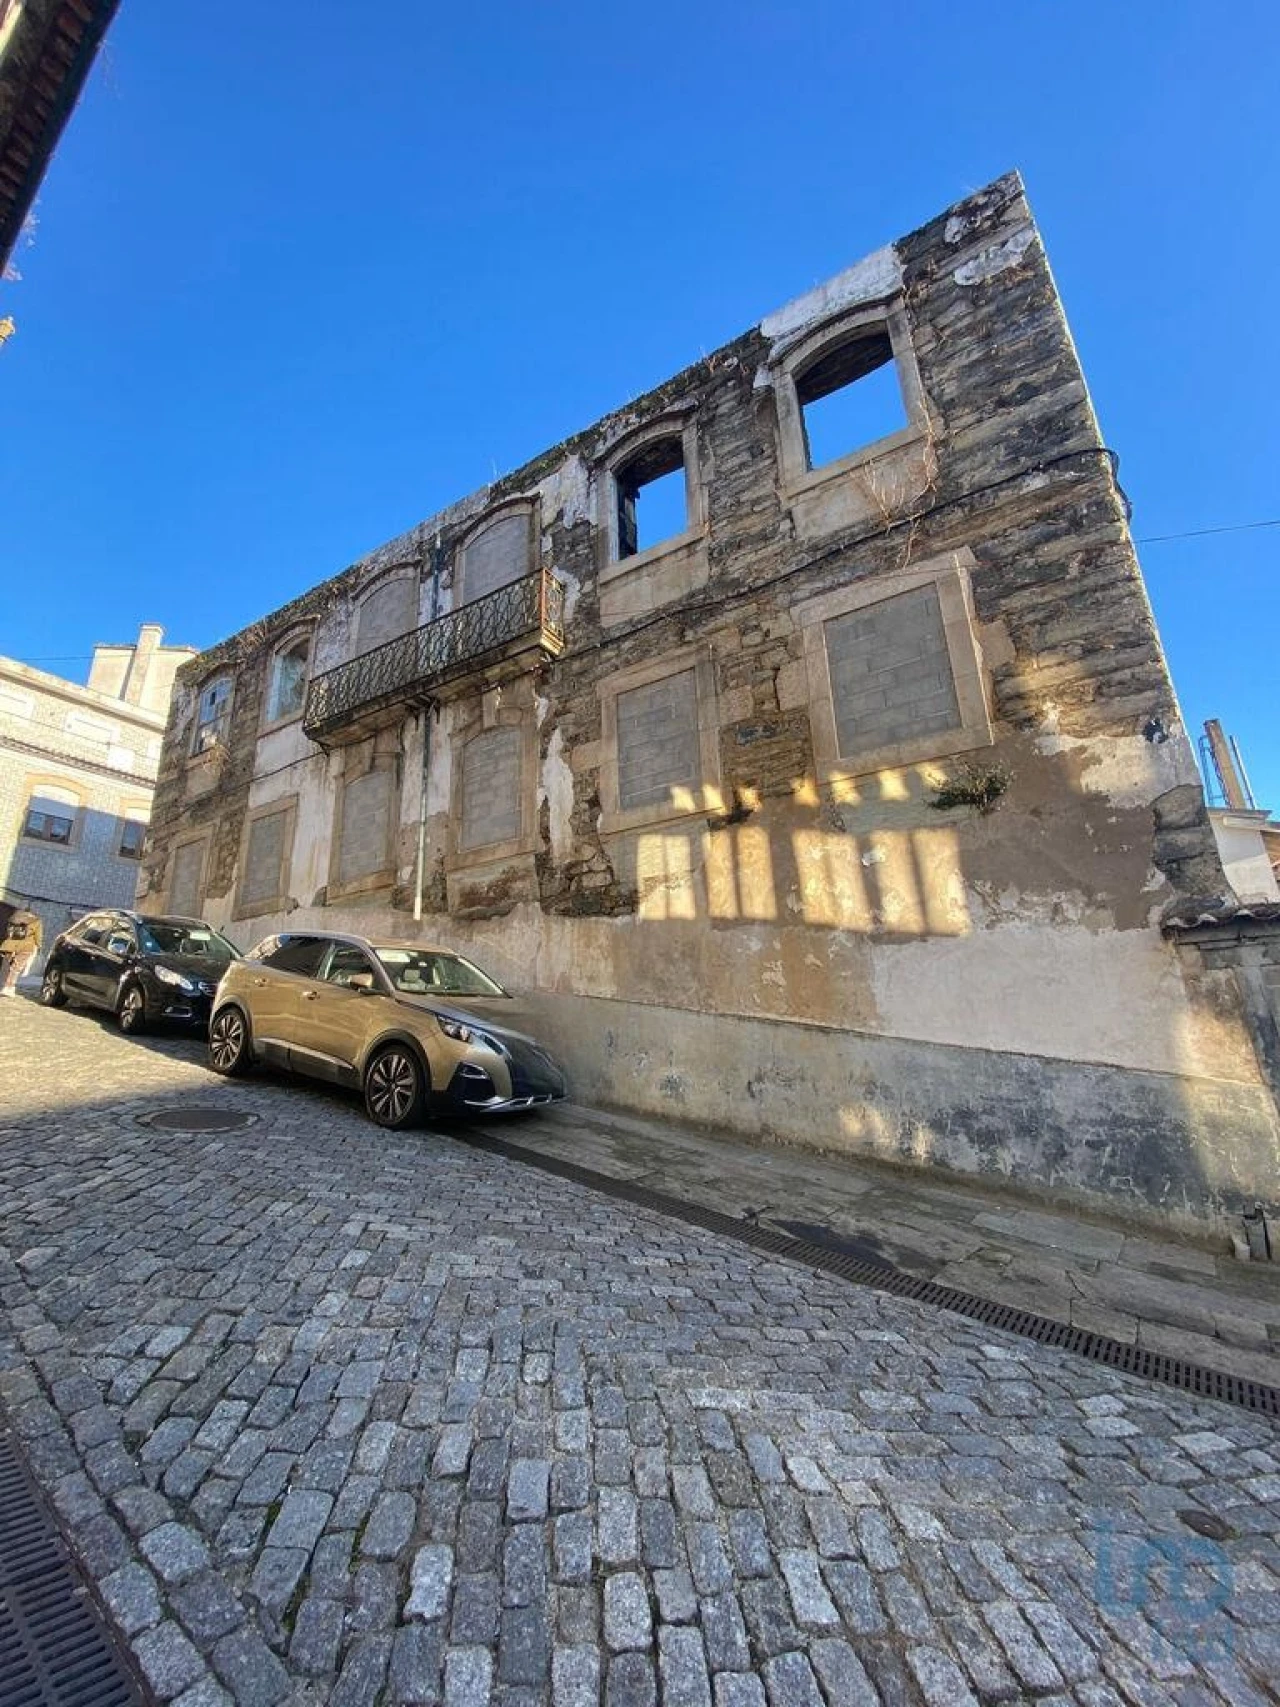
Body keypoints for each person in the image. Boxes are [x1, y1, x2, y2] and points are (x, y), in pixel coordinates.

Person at [0, 901, 43, 997]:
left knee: (6, 966)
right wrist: (39, 946)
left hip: (9, 945)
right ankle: (9, 987)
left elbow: (8, 931)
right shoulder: (36, 920)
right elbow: (38, 936)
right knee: (17, 967)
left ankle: (3, 986)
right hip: (26, 946)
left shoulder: (14, 917)